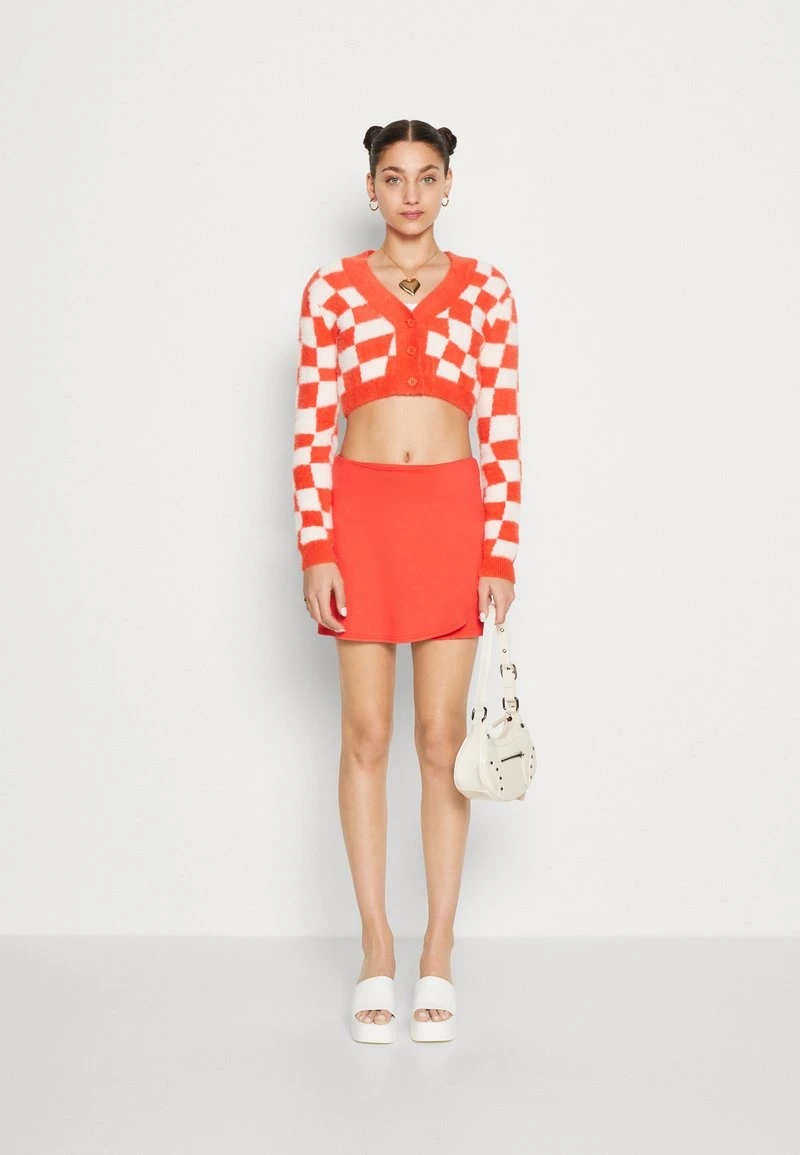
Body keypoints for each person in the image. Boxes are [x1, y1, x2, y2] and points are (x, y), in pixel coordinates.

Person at [292, 119, 522, 1042]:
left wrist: (499, 552)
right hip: (361, 521)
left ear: (449, 184)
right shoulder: (330, 291)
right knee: (366, 732)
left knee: (439, 740)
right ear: (372, 187)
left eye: (428, 177)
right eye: (395, 178)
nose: (412, 194)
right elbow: (311, 421)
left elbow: (501, 427)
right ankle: (376, 945)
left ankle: (438, 948)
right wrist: (317, 545)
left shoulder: (488, 290)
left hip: (451, 519)